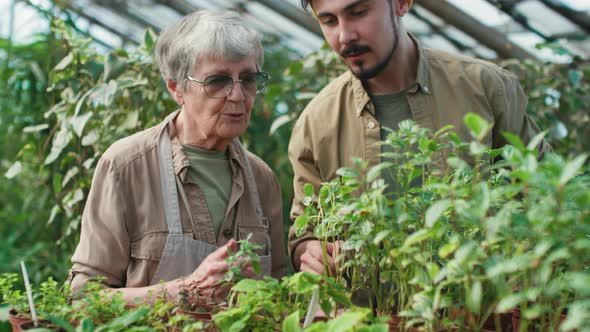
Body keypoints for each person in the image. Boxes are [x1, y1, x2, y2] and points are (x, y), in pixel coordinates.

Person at [288, 0, 550, 274]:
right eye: (329, 21)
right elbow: (305, 233)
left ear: (401, 3)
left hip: (480, 311)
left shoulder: (485, 88)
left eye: (358, 13)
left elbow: (542, 193)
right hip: (366, 316)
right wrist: (311, 252)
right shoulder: (316, 122)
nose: (345, 36)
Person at [69, 10, 287, 303]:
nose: (237, 96)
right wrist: (183, 291)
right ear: (176, 88)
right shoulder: (126, 167)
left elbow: (278, 290)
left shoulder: (261, 180)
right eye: (218, 81)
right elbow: (83, 298)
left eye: (248, 79)